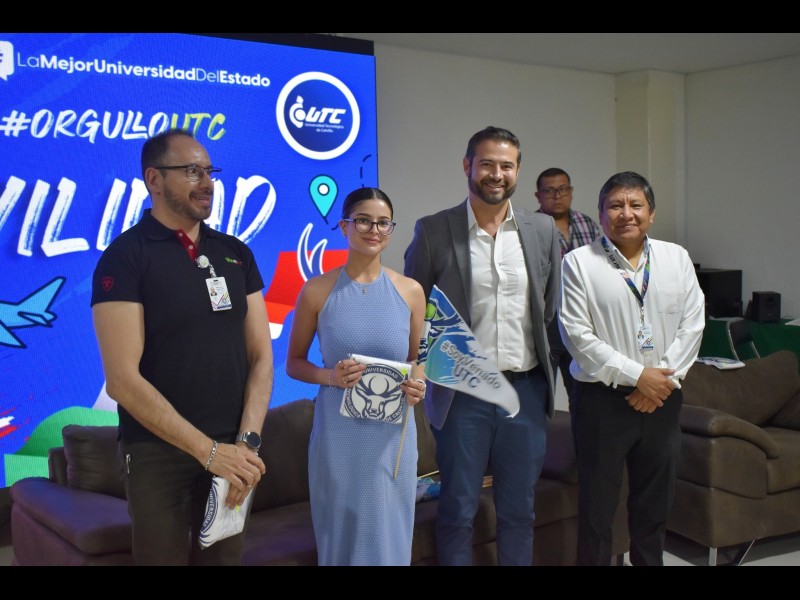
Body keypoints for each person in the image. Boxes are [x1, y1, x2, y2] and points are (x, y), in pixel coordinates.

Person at [90, 129, 274, 565]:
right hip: (157, 454)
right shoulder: (125, 257)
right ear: (154, 179)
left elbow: (262, 357)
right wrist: (207, 452)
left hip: (233, 450)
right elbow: (121, 381)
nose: (207, 182)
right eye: (192, 171)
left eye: (209, 171)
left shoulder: (235, 253)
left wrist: (246, 443)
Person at [404, 126, 561, 566]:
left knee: (519, 511)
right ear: (467, 166)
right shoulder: (434, 230)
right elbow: (414, 310)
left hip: (524, 393)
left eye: (506, 165)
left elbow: (551, 309)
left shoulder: (542, 229)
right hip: (462, 396)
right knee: (458, 510)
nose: (496, 174)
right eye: (487, 163)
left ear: (518, 171)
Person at [558, 171, 705, 566]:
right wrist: (638, 376)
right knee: (597, 508)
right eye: (615, 205)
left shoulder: (676, 258)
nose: (626, 213)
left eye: (635, 205)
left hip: (663, 399)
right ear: (601, 214)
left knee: (654, 506)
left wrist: (660, 380)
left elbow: (693, 325)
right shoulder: (578, 263)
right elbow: (577, 336)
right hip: (601, 402)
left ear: (651, 213)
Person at [286, 187, 427, 566]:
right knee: (341, 536)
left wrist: (418, 385)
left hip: (393, 438)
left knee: (390, 535)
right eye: (363, 220)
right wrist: (329, 376)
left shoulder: (411, 291)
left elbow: (417, 358)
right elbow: (294, 363)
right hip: (338, 435)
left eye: (383, 223)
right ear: (344, 226)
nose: (374, 230)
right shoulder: (316, 291)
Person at [534, 167, 600, 408]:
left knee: (583, 392)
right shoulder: (529, 227)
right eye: (549, 191)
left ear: (571, 191)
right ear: (538, 195)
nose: (557, 196)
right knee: (541, 392)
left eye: (562, 189)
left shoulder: (588, 224)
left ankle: (580, 433)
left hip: (582, 319)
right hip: (546, 320)